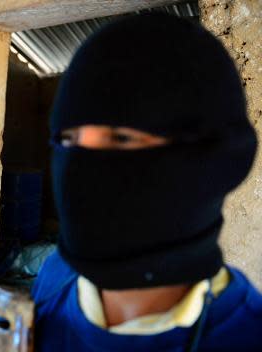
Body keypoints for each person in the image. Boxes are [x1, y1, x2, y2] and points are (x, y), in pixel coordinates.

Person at [32, 13, 262, 351]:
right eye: (67, 140)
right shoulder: (54, 278)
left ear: (210, 159)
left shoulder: (247, 336)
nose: (79, 169)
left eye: (122, 138)